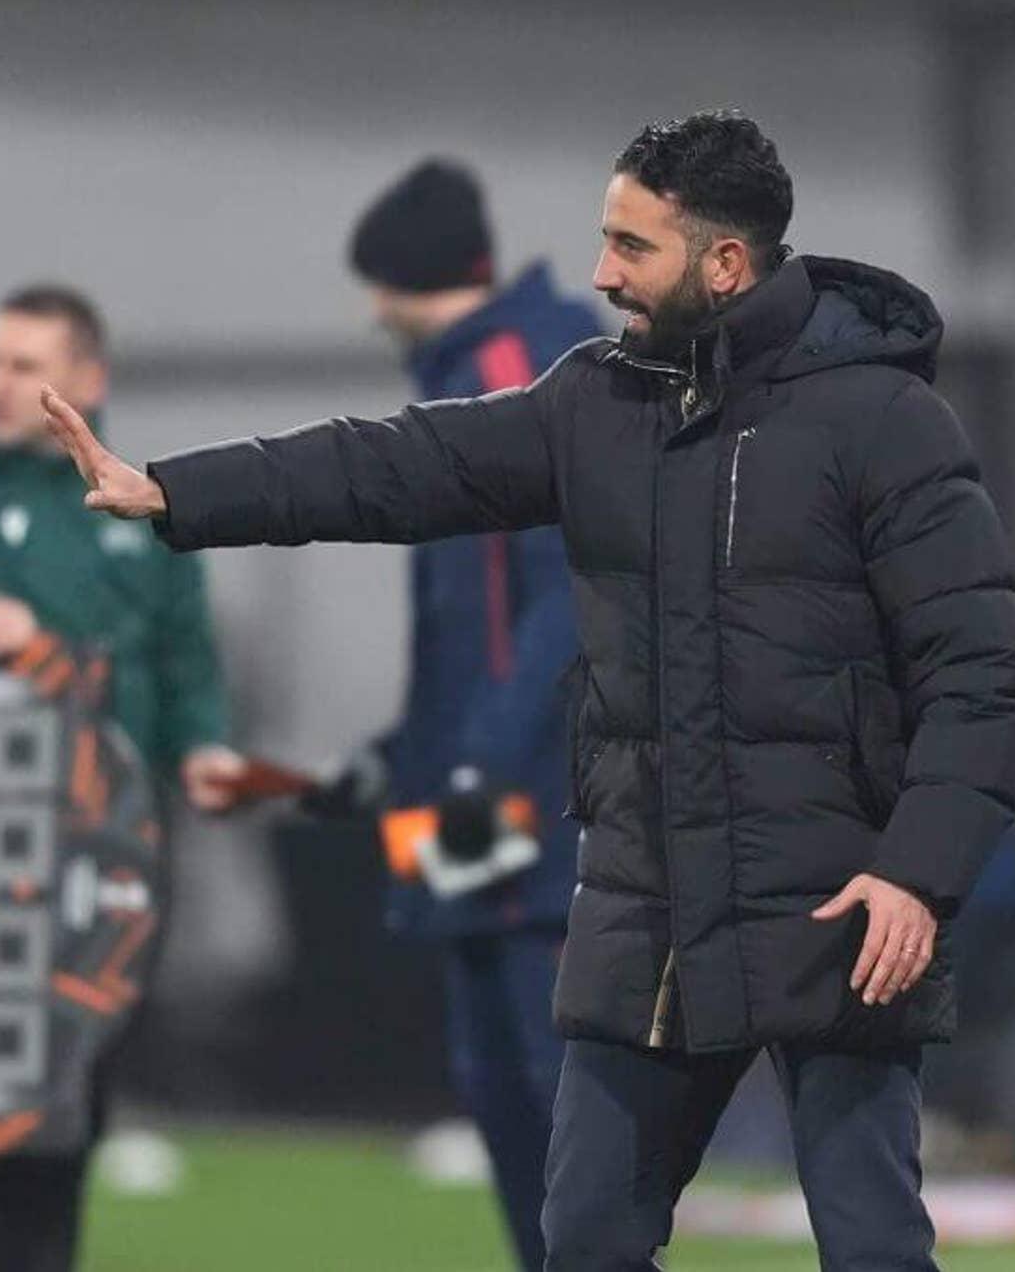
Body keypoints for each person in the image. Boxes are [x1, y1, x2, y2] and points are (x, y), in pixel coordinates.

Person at [39, 110, 1015, 1271]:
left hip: (837, 911)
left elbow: (983, 672)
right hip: (646, 903)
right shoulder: (595, 402)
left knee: (871, 1248)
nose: (602, 273)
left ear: (723, 264)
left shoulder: (886, 423)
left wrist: (918, 869)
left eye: (632, 247)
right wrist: (174, 491)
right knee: (585, 1243)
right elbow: (394, 465)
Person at [0, 283, 243, 1272]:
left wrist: (203, 746)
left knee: (80, 1070)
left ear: (88, 380)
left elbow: (186, 657)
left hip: (115, 842)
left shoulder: (143, 496)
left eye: (23, 367)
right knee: (7, 1082)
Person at [308, 157, 598, 1269]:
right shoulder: (462, 376)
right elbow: (460, 623)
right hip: (473, 793)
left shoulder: (520, 372)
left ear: (395, 278)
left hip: (534, 794)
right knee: (498, 1080)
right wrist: (406, 760)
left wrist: (483, 762)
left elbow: (564, 593)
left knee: (553, 1075)